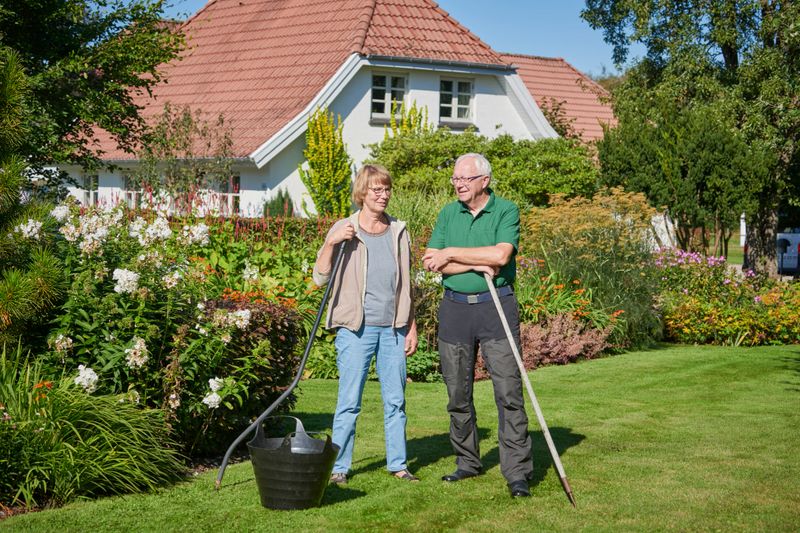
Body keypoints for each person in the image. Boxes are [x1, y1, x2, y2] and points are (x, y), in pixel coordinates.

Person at [422, 153, 533, 498]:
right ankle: (467, 462)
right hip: (455, 309)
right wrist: (472, 262)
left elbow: (501, 256)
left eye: (465, 178)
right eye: (455, 178)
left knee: (508, 392)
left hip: (496, 305)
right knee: (457, 393)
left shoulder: (506, 210)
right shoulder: (447, 213)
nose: (458, 184)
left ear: (484, 181)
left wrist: (452, 253)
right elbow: (431, 262)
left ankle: (517, 472)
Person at [312, 164, 419, 485]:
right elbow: (320, 277)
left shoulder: (399, 230)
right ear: (362, 193)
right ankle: (339, 467)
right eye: (377, 190)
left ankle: (398, 464)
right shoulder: (346, 228)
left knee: (396, 401)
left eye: (387, 189)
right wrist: (331, 242)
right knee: (349, 402)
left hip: (393, 328)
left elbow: (407, 285)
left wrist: (411, 326)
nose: (383, 195)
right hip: (355, 329)